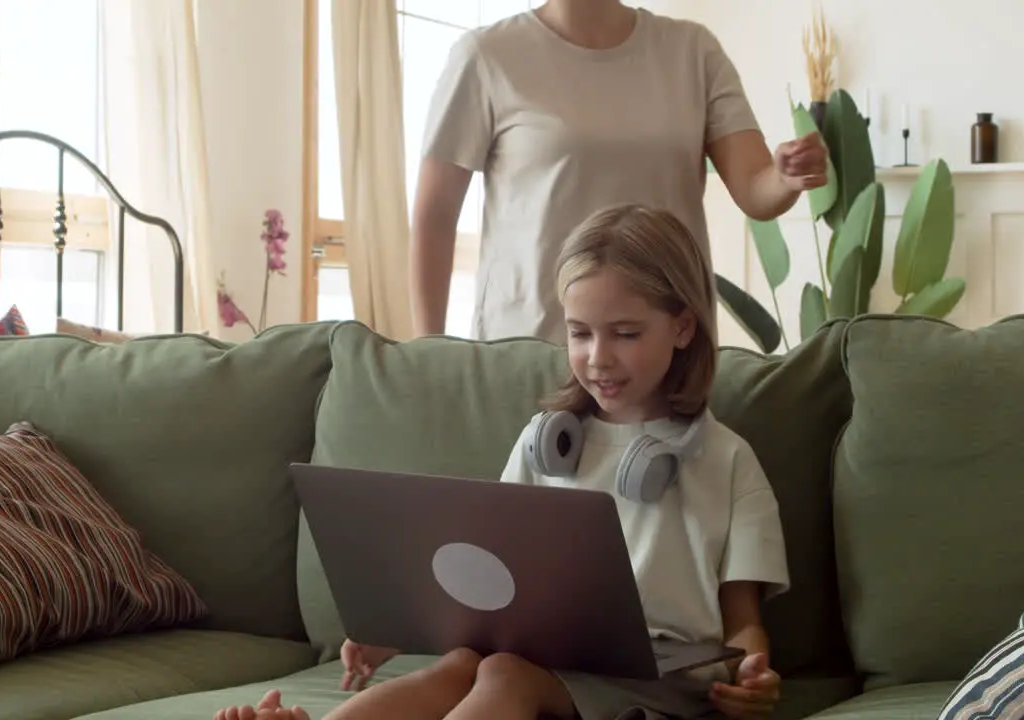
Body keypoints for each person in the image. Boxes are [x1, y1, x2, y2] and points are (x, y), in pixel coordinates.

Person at [213, 203, 791, 720]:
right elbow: (489, 589)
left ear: (684, 326)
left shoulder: (727, 460)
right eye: (580, 333)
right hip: (542, 658)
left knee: (502, 672)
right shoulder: (549, 443)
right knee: (468, 660)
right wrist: (399, 635)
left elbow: (742, 620)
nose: (597, 358)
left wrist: (753, 672)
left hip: (665, 683)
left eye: (625, 333)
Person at [410, 0, 828, 344]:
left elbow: (756, 188)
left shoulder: (694, 52)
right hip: (531, 350)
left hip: (665, 357)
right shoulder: (486, 56)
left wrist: (785, 177)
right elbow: (435, 215)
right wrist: (427, 353)